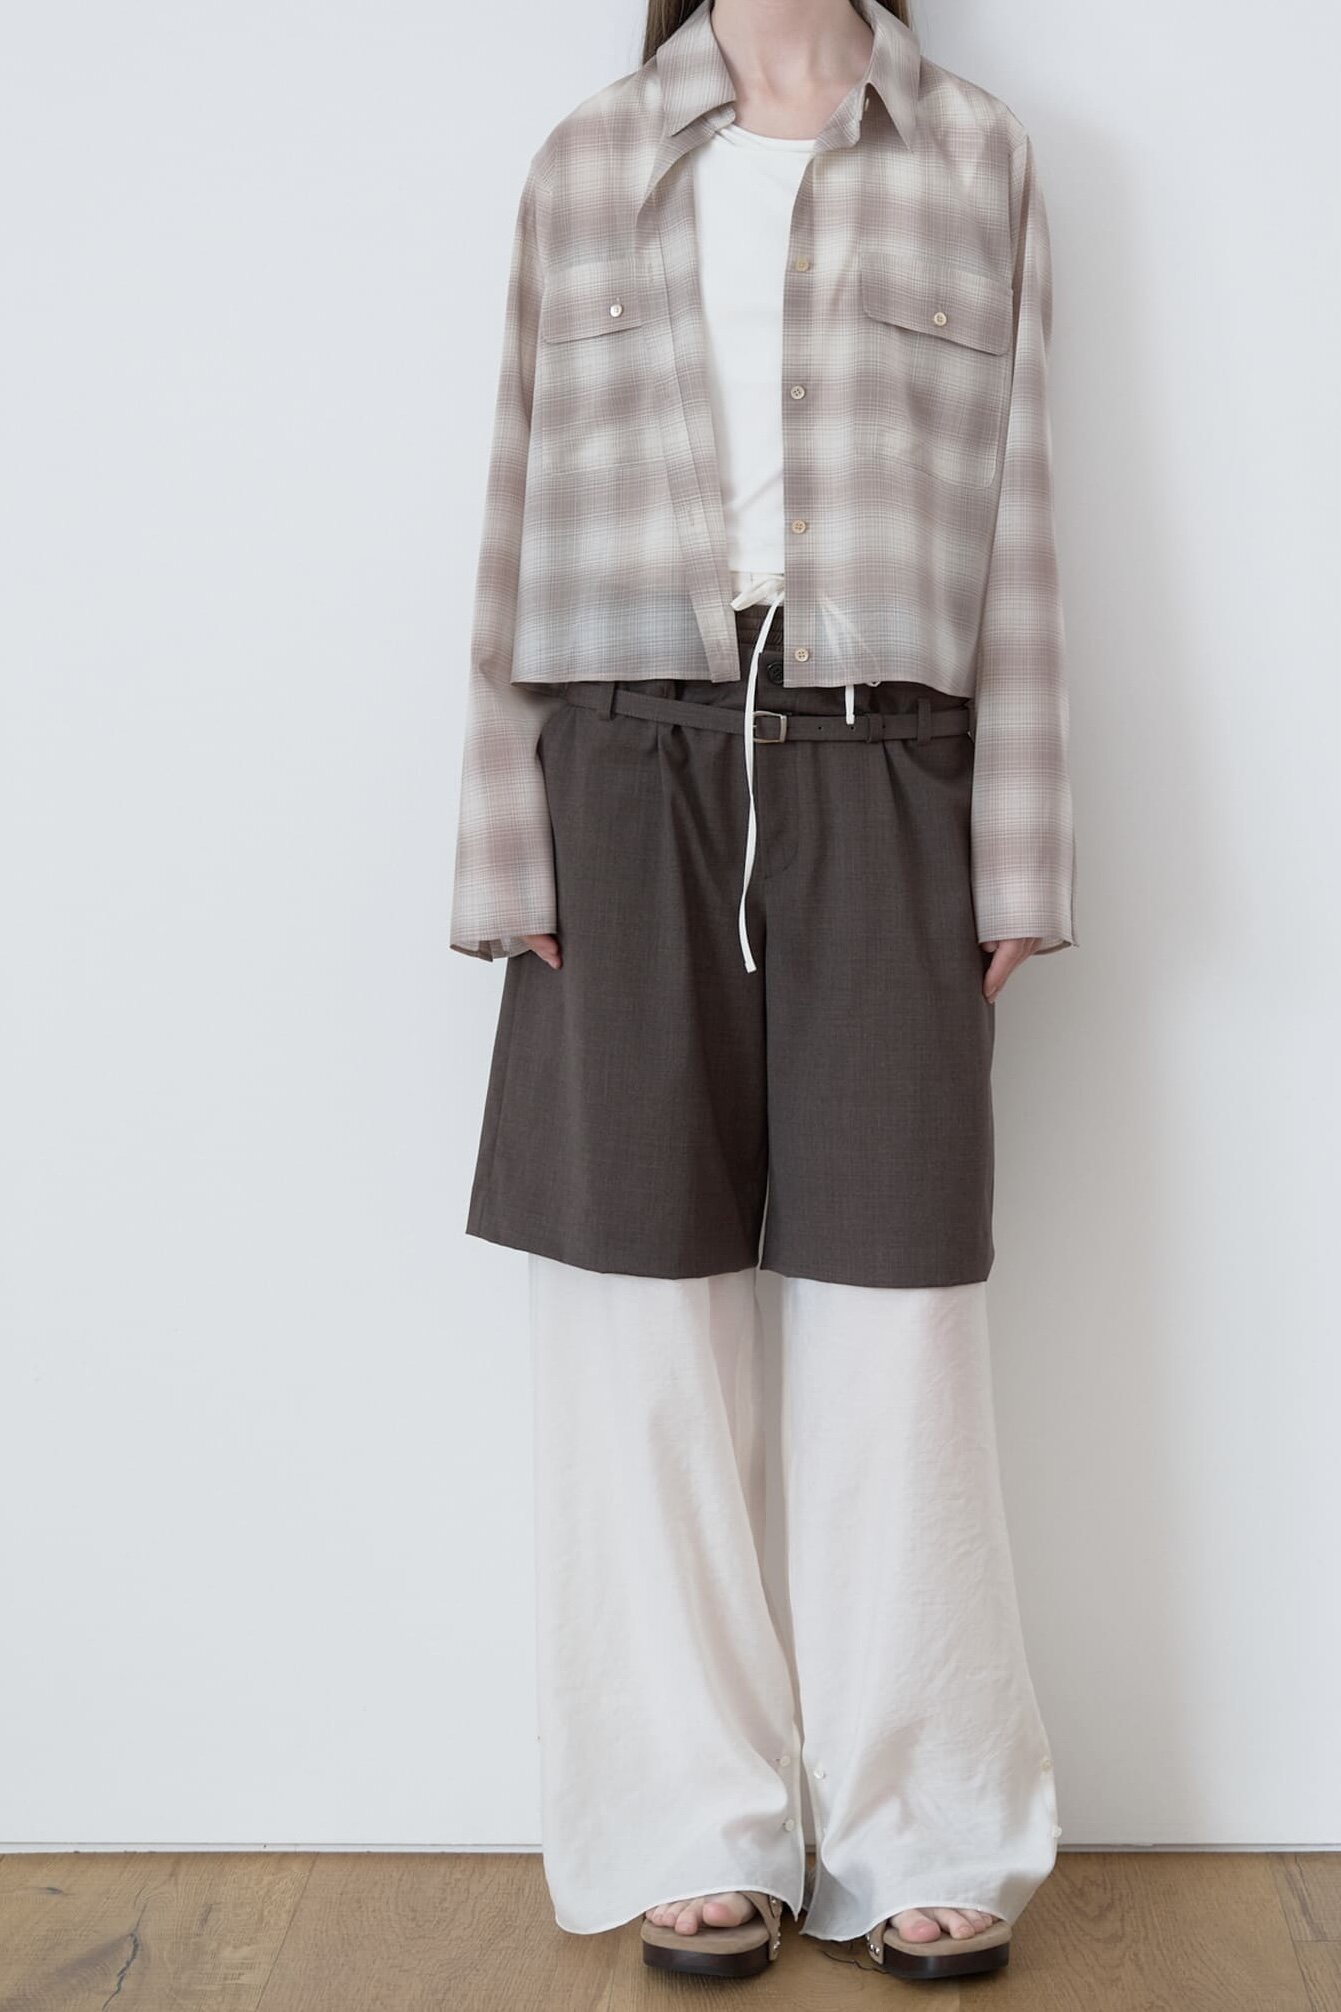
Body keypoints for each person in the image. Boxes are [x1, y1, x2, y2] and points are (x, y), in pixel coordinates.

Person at [450, 0, 1075, 1984]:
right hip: (619, 770)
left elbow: (1025, 518)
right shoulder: (588, 158)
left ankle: (925, 1823)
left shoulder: (971, 154)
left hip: (887, 768)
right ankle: (684, 1813)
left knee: (898, 1313)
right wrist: (500, 847)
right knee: (635, 1323)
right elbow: (509, 503)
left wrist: (1019, 852)